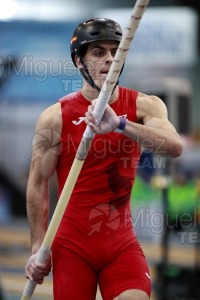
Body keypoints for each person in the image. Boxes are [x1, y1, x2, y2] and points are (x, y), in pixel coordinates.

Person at [25, 18, 183, 300]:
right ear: (79, 62)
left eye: (115, 52)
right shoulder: (54, 118)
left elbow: (173, 146)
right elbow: (37, 184)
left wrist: (121, 125)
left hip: (120, 244)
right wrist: (38, 247)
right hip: (71, 248)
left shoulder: (145, 105)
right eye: (99, 53)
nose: (110, 59)